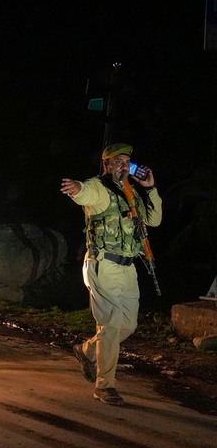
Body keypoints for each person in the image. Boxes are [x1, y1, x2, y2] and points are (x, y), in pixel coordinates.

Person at [60, 142, 162, 406]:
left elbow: (154, 220)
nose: (123, 165)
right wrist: (77, 189)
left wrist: (150, 188)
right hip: (102, 265)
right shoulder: (99, 188)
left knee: (128, 325)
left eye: (127, 161)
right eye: (117, 161)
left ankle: (86, 351)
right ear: (105, 165)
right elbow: (86, 193)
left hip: (128, 268)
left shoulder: (131, 192)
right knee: (112, 324)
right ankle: (105, 386)